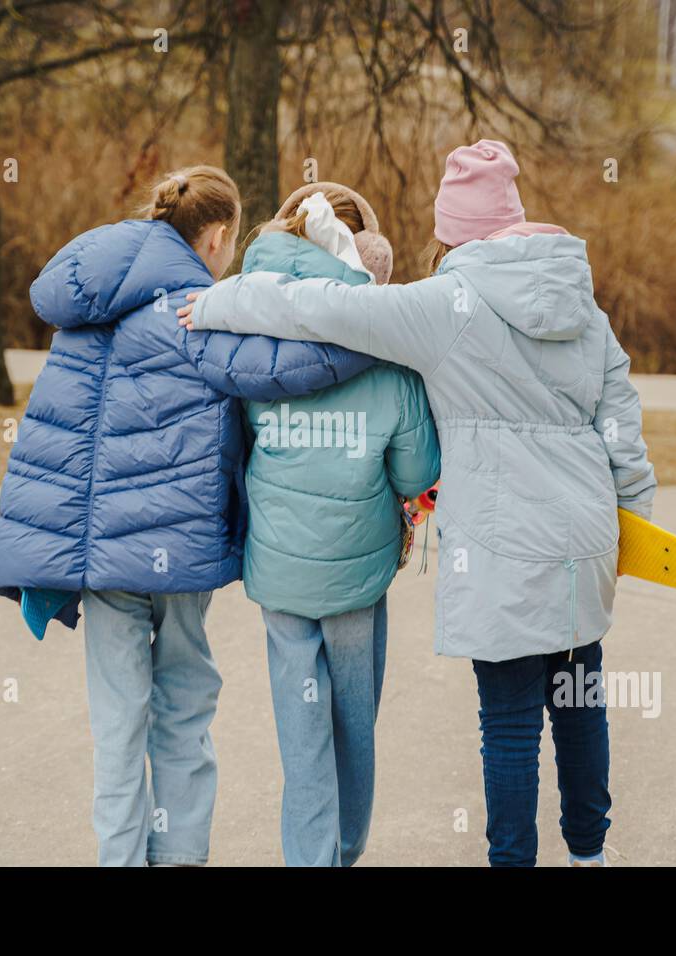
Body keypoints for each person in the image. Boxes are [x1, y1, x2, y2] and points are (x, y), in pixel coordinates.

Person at [179, 141, 657, 867]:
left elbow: (320, 308)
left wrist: (222, 298)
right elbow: (620, 419)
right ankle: (590, 854)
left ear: (451, 230)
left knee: (508, 720)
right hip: (584, 534)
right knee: (579, 695)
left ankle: (513, 860)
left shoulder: (444, 305)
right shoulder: (581, 305)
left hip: (503, 544)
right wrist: (633, 519)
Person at [0, 165, 372, 867]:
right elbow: (288, 367)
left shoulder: (87, 302)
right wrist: (372, 327)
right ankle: (181, 856)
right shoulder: (197, 308)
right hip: (177, 553)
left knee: (116, 721)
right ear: (218, 236)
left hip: (97, 557)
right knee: (183, 710)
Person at [234, 182, 440, 866]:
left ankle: (309, 857)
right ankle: (342, 851)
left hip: (280, 570)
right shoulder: (386, 352)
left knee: (300, 731)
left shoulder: (254, 338)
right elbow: (415, 474)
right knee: (354, 724)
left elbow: (235, 442)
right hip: (357, 573)